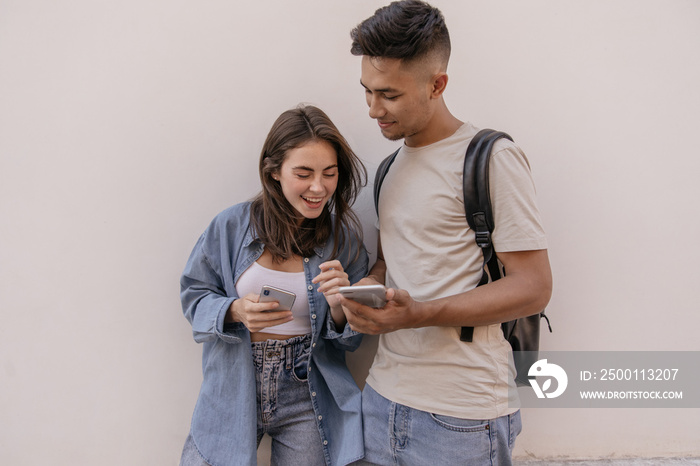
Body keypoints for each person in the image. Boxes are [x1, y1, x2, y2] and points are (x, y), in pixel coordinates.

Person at [342, 1, 553, 465]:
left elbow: (534, 288)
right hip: (380, 401)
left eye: (390, 95)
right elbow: (388, 266)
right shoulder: (388, 168)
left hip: (462, 417)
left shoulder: (491, 158)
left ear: (437, 85)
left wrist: (419, 313)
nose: (374, 108)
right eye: (367, 91)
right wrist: (361, 292)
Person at [179, 104, 368, 466]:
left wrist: (342, 304)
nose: (318, 187)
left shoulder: (343, 240)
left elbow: (351, 340)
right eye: (304, 173)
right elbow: (193, 296)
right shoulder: (231, 226)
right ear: (274, 171)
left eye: (329, 173)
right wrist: (234, 310)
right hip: (234, 383)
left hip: (307, 389)